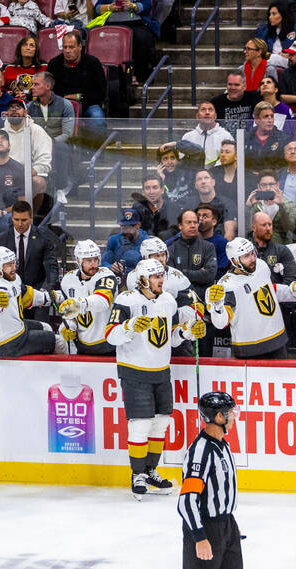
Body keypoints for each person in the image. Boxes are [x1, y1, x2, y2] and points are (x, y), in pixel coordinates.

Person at [107, 258, 204, 498]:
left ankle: (150, 471)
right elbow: (110, 336)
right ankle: (137, 474)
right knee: (140, 425)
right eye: (155, 276)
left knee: (160, 424)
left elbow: (169, 338)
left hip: (161, 370)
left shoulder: (168, 301)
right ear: (143, 280)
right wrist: (130, 327)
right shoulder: (126, 300)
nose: (161, 279)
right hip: (134, 370)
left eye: (162, 275)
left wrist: (186, 332)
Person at [208, 237, 296, 359]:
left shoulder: (261, 265)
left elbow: (270, 292)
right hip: (249, 351)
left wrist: (294, 291)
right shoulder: (227, 285)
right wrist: (218, 307)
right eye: (246, 256)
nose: (252, 259)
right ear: (235, 261)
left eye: (252, 253)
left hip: (278, 342)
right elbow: (221, 323)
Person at [179, 391, 243, 569]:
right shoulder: (200, 453)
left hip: (226, 525)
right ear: (219, 417)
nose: (233, 417)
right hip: (206, 529)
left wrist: (229, 526)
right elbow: (187, 501)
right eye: (230, 413)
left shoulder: (223, 445)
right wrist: (199, 537)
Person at [57, 240, 119, 356]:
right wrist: (69, 325)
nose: (94, 264)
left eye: (96, 259)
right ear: (78, 261)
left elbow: (102, 301)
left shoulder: (106, 275)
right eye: (88, 261)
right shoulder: (68, 279)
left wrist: (79, 304)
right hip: (82, 346)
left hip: (108, 345)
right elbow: (69, 313)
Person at [47, 31, 107, 132]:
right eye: (65, 47)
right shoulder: (54, 64)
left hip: (88, 104)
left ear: (80, 47)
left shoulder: (93, 62)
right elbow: (48, 90)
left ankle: (96, 147)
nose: (67, 51)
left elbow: (101, 92)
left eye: (71, 47)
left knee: (98, 120)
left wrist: (80, 97)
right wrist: (66, 98)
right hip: (61, 105)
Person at [166, 209, 220, 302]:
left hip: (204, 302)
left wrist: (182, 272)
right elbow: (171, 279)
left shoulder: (208, 247)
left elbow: (209, 275)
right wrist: (199, 272)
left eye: (195, 222)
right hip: (180, 302)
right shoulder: (171, 249)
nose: (193, 225)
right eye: (188, 222)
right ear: (180, 226)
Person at [209, 72, 261, 137]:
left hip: (249, 141)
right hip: (224, 142)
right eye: (230, 84)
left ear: (244, 86)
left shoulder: (254, 97)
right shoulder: (216, 102)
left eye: (236, 85)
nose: (232, 88)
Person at [103, 208, 149, 275]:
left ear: (138, 226)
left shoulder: (147, 241)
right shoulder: (113, 240)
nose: (127, 230)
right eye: (124, 226)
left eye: (130, 226)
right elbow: (104, 262)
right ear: (120, 226)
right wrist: (110, 267)